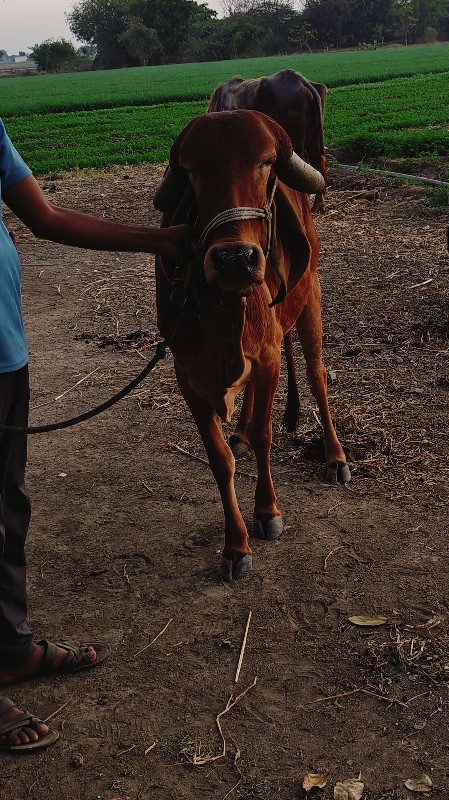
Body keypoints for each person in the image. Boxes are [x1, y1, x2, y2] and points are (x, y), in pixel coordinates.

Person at [0, 117, 189, 753]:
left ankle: (10, 650)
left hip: (4, 356)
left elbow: (45, 218)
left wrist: (159, 240)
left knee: (6, 510)